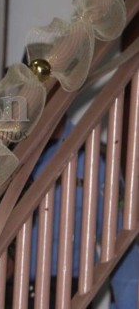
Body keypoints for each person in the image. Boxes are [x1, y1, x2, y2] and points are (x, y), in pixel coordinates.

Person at [29, 116, 139, 309]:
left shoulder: (94, 156)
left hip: (69, 293)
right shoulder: (4, 150)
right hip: (0, 289)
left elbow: (121, 243)